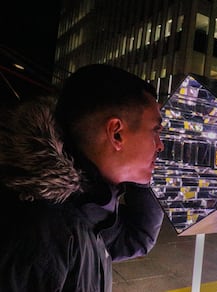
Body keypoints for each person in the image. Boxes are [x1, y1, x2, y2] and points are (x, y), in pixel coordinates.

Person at [0, 64, 165, 291]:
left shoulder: (88, 204)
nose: (161, 145)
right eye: (155, 131)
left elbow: (137, 237)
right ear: (116, 133)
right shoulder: (40, 234)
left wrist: (139, 170)